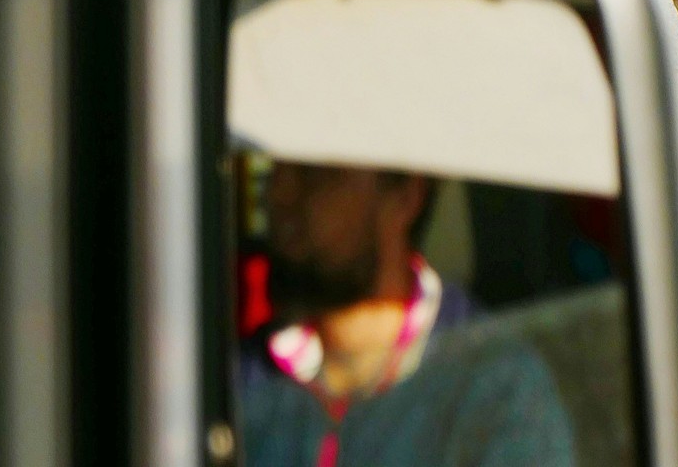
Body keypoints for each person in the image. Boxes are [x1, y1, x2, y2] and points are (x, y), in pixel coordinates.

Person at [239, 160, 576, 467]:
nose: (280, 194)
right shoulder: (239, 378)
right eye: (275, 171)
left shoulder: (496, 388)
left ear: (405, 197)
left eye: (318, 173)